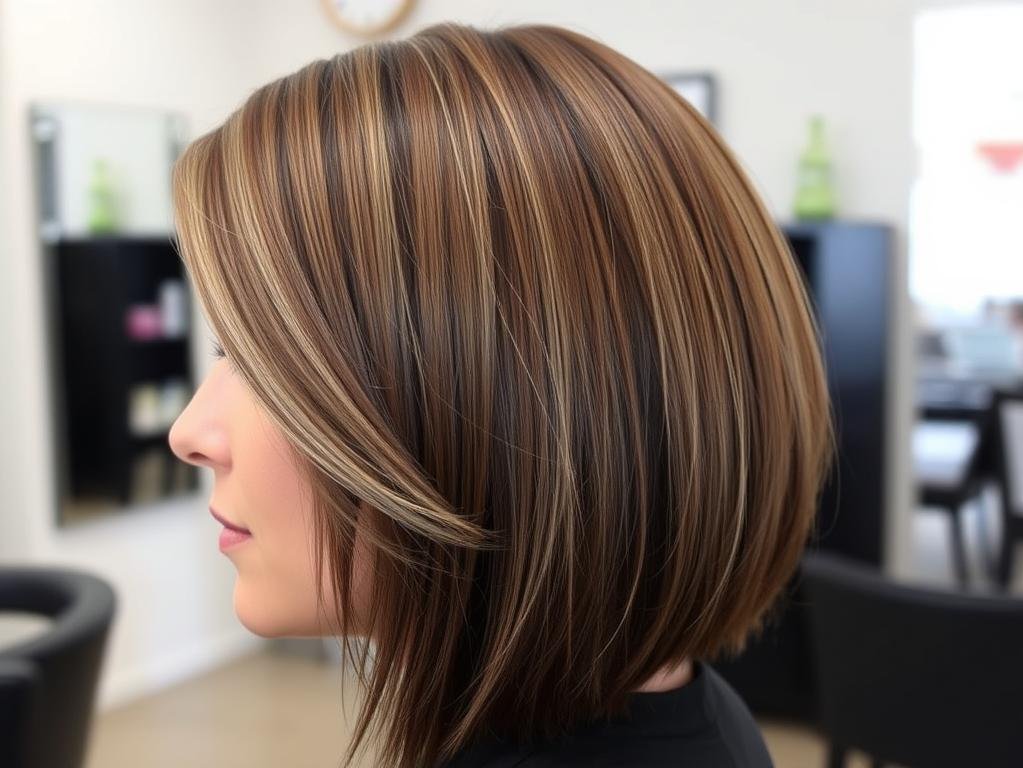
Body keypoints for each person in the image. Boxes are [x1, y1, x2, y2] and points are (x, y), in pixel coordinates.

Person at [168, 21, 834, 768]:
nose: (188, 433)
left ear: (511, 406)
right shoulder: (697, 718)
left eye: (263, 359)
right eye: (225, 349)